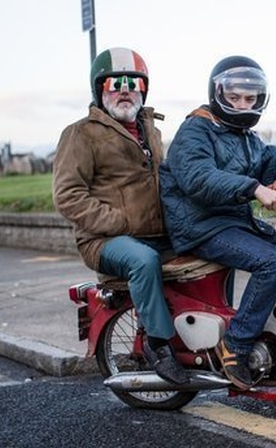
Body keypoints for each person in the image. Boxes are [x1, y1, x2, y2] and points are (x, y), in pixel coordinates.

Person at [159, 55, 276, 390]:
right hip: (201, 225)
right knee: (270, 262)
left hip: (232, 222)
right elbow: (199, 178)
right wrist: (253, 188)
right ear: (217, 94)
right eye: (234, 97)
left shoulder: (244, 135)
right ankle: (237, 344)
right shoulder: (196, 130)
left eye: (250, 98)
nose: (243, 104)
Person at [52, 47, 189, 385]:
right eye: (115, 82)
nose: (125, 89)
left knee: (217, 246)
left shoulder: (150, 131)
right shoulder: (80, 133)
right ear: (100, 89)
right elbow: (67, 195)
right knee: (143, 261)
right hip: (105, 240)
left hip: (157, 233)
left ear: (144, 89)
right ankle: (158, 345)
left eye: (133, 82)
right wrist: (118, 223)